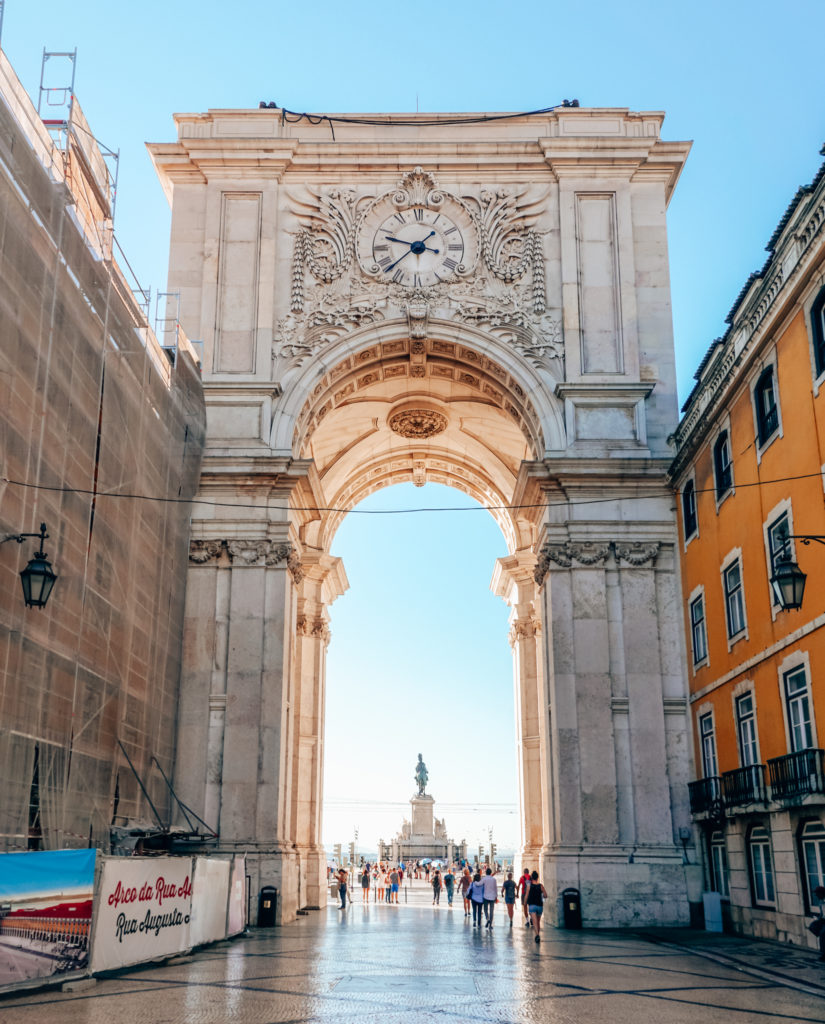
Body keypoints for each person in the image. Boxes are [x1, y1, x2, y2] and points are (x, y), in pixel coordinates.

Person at [526, 870, 548, 944]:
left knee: (535, 922)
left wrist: (525, 903)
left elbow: (526, 895)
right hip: (539, 906)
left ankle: (537, 935)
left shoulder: (529, 886)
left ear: (532, 878)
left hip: (532, 906)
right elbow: (545, 895)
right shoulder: (540, 886)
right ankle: (537, 935)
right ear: (537, 878)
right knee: (537, 922)